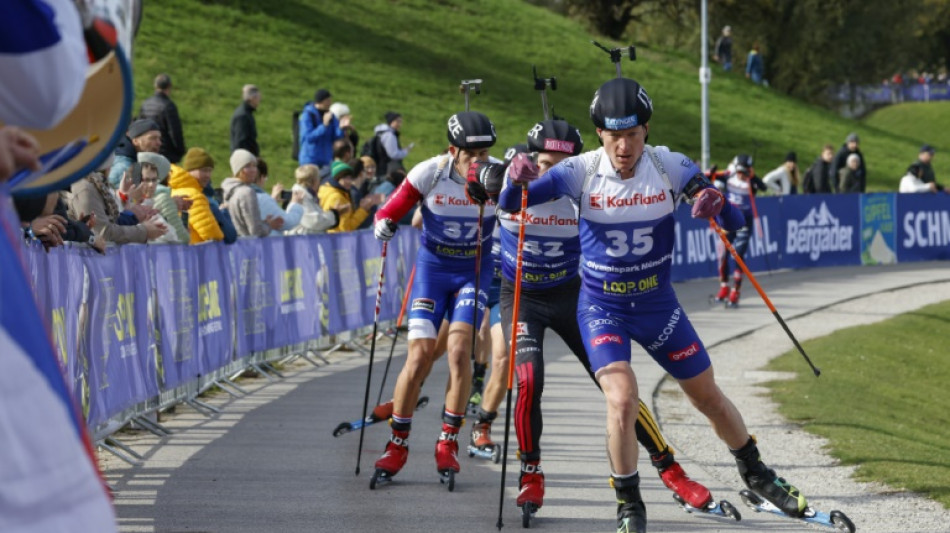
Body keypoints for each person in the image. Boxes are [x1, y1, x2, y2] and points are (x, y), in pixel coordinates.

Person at [501, 77, 808, 533]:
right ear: (600, 134)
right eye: (613, 135)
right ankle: (629, 501)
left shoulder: (669, 165)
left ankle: (757, 473)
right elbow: (512, 201)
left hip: (658, 306)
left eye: (631, 134)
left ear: (645, 130)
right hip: (602, 307)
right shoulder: (579, 170)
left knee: (708, 398)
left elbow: (736, 220)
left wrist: (716, 202)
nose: (623, 146)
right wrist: (515, 179)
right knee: (622, 400)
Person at [479, 121, 717, 518]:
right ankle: (530, 471)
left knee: (617, 391)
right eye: (542, 163)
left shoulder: (585, 191)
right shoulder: (521, 183)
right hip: (522, 297)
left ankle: (668, 467)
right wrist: (494, 176)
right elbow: (481, 177)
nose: (548, 172)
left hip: (572, 293)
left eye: (559, 164)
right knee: (528, 379)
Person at [369, 111, 497, 487]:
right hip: (433, 272)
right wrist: (384, 224)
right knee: (421, 354)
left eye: (485, 153)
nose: (479, 161)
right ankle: (397, 445)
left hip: (474, 272)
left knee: (459, 351)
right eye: (471, 154)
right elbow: (389, 210)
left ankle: (448, 441)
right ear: (453, 150)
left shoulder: (498, 175)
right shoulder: (431, 171)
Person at [713, 154, 766, 306]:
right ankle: (724, 287)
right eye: (740, 171)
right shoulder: (729, 176)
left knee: (738, 256)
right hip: (729, 220)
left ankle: (736, 291)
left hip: (744, 222)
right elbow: (710, 177)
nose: (742, 175)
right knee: (723, 255)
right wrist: (712, 172)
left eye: (746, 172)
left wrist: (754, 177)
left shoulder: (751, 181)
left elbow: (763, 187)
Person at [169, 147, 227, 243]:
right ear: (189, 170)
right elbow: (210, 232)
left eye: (210, 171)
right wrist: (221, 236)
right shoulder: (194, 195)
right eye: (204, 170)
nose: (208, 175)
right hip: (196, 253)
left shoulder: (174, 190)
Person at [221, 149, 280, 237]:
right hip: (249, 247)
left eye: (254, 165)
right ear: (238, 170)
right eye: (247, 166)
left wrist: (263, 222)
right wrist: (269, 225)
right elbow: (256, 232)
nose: (253, 170)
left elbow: (242, 224)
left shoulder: (230, 190)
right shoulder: (247, 192)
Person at [318, 161, 381, 232]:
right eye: (345, 178)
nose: (349, 181)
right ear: (337, 178)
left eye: (350, 178)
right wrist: (363, 210)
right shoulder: (337, 197)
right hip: (338, 240)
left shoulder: (332, 191)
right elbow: (345, 229)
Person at [138, 73, 186, 163]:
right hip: (165, 153)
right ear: (169, 86)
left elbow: (140, 126)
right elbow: (175, 132)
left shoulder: (145, 104)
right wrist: (181, 151)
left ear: (155, 86)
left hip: (148, 150)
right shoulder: (168, 106)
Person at [284, 164, 340, 234]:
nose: (320, 182)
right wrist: (334, 214)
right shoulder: (300, 197)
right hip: (301, 241)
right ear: (314, 181)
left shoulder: (309, 196)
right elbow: (314, 222)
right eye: (319, 178)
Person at [108, 118, 162, 187]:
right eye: (152, 138)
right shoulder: (125, 166)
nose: (159, 143)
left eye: (159, 138)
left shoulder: (136, 161)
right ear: (135, 141)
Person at [253, 158, 301, 234]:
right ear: (261, 177)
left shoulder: (237, 193)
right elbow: (286, 223)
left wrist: (272, 200)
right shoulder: (262, 198)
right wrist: (295, 204)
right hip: (265, 244)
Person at [298, 88, 343, 168]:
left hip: (326, 161)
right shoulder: (307, 115)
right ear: (320, 101)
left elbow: (336, 137)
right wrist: (324, 125)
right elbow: (308, 138)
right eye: (328, 100)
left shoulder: (331, 116)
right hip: (310, 160)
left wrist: (342, 127)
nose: (330, 103)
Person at [370, 111, 413, 178]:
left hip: (381, 166)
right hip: (387, 169)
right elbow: (393, 154)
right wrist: (405, 151)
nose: (400, 124)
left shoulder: (382, 133)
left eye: (401, 122)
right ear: (391, 121)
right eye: (398, 121)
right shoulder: (389, 135)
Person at [230, 84, 260, 156]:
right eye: (258, 97)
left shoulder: (246, 113)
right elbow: (241, 142)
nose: (260, 100)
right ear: (252, 98)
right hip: (245, 160)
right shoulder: (243, 116)